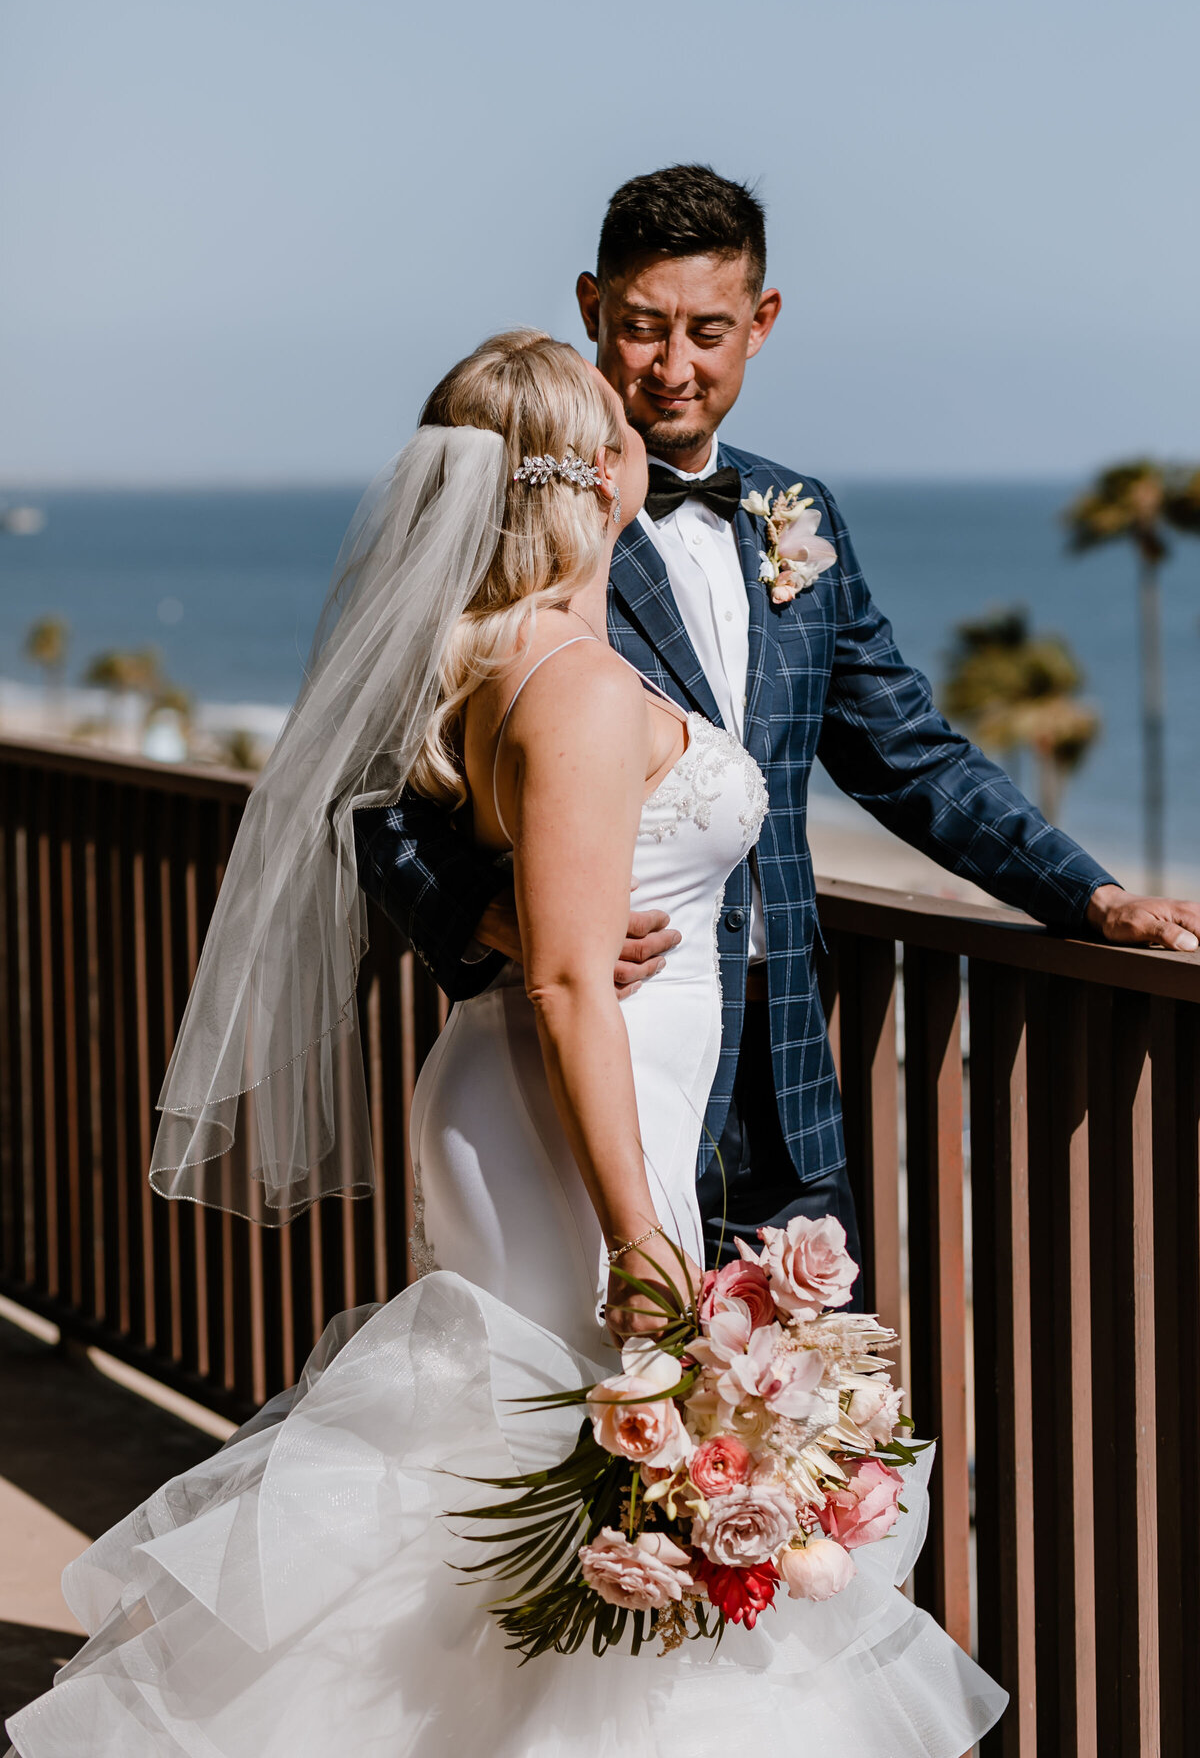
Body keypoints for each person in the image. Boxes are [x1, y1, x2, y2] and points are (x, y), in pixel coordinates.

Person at [5, 330, 1007, 1757]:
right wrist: (644, 1234)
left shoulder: (498, 656)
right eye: (619, 434)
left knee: (516, 1453)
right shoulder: (582, 688)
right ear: (598, 473)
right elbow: (565, 985)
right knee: (552, 1444)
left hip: (541, 1089)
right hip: (568, 1103)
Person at [356, 164, 1200, 1286]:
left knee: (801, 1414)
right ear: (590, 308)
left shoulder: (797, 515)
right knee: (606, 1403)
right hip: (599, 1051)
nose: (674, 366)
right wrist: (488, 916)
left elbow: (909, 755)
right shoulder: (515, 522)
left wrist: (1090, 896)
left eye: (708, 330)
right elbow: (370, 787)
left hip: (786, 1050)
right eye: (644, 327)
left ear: (762, 323)